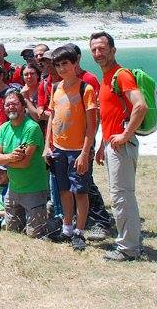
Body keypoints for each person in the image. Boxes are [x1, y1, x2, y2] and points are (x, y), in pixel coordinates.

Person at [89, 31, 148, 262]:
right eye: (94, 49)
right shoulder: (106, 77)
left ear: (113, 50)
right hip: (113, 146)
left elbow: (140, 106)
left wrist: (124, 135)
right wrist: (104, 145)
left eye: (102, 48)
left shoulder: (121, 75)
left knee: (122, 197)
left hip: (122, 146)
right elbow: (110, 116)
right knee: (121, 196)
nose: (97, 53)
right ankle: (129, 242)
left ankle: (128, 249)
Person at [44, 45, 99, 251]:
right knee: (64, 190)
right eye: (57, 65)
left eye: (65, 64)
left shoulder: (86, 89)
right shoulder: (56, 88)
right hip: (58, 148)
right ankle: (67, 228)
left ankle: (79, 231)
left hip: (77, 150)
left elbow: (91, 125)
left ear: (75, 63)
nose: (61, 68)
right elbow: (52, 117)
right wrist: (47, 145)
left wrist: (85, 153)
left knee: (80, 191)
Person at [0, 89, 53, 239]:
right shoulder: (4, 128)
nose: (10, 107)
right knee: (12, 233)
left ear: (23, 105)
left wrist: (3, 160)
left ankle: (55, 221)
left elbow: (24, 163)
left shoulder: (31, 128)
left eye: (14, 104)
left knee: (35, 235)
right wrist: (11, 157)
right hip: (13, 189)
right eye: (7, 104)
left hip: (34, 189)